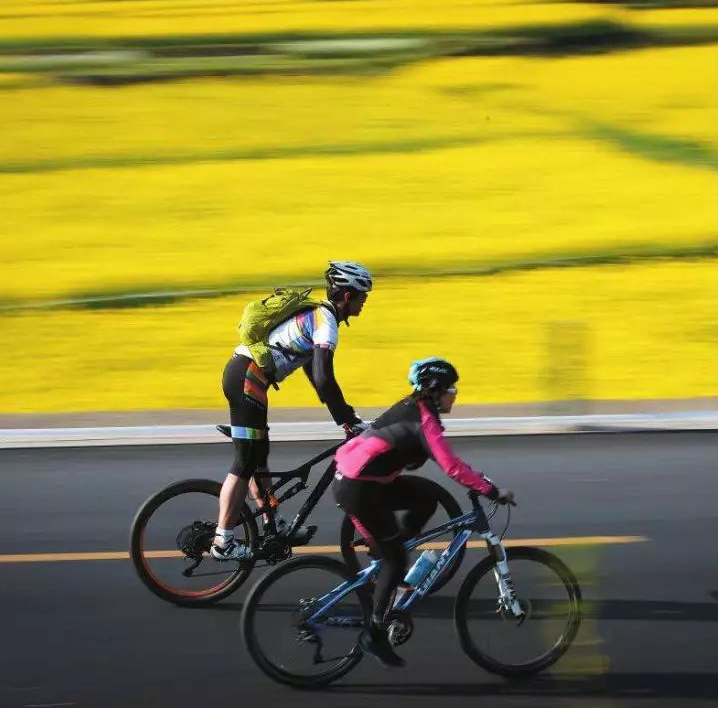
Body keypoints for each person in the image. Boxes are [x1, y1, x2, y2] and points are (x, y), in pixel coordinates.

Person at [332, 358, 516, 667]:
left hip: (367, 481)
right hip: (358, 489)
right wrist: (493, 491)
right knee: (394, 560)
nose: (454, 395)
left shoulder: (415, 408)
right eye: (452, 389)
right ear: (436, 390)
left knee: (426, 497)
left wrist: (479, 479)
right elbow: (451, 466)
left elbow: (450, 463)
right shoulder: (424, 421)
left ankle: (391, 545)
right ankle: (374, 633)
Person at [211, 261, 373, 561]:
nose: (364, 303)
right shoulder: (326, 322)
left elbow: (314, 372)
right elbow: (325, 377)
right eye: (363, 297)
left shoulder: (319, 316)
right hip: (247, 377)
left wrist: (343, 416)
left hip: (246, 376)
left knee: (260, 459)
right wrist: (347, 419)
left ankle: (273, 526)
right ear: (348, 296)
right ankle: (223, 540)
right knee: (246, 460)